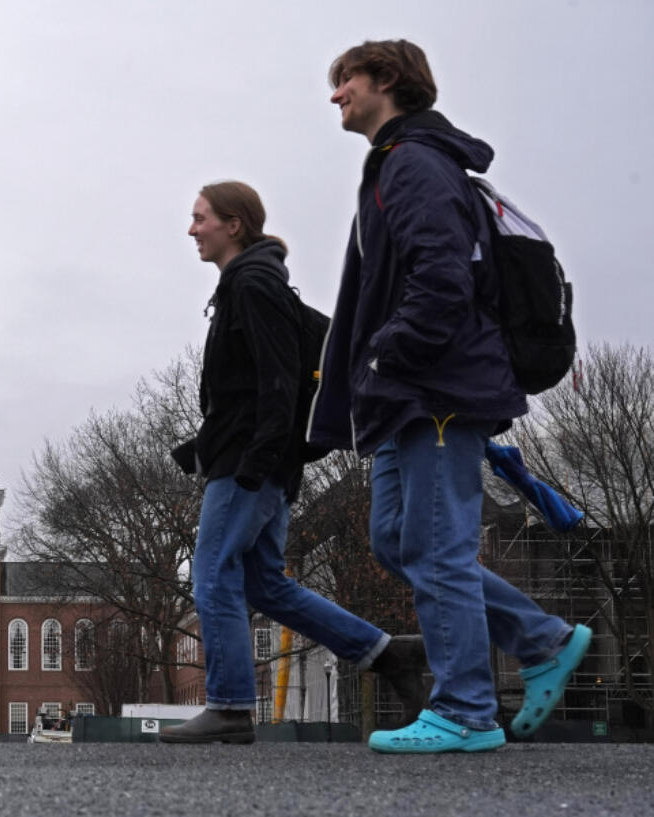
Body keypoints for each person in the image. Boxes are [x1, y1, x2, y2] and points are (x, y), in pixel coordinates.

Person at [310, 39, 592, 754]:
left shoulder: (413, 164)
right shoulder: (400, 164)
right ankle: (542, 637)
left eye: (347, 80)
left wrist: (384, 352)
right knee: (399, 539)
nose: (336, 94)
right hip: (409, 393)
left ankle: (465, 708)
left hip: (433, 387)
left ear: (389, 83)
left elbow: (442, 278)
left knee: (437, 546)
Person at [159, 181, 427, 745]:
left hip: (250, 466)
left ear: (234, 224)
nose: (192, 230)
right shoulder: (253, 284)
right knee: (267, 587)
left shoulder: (252, 286)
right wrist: (205, 447)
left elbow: (278, 383)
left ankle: (230, 706)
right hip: (261, 462)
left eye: (200, 217)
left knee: (212, 577)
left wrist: (255, 462)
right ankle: (386, 652)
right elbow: (247, 390)